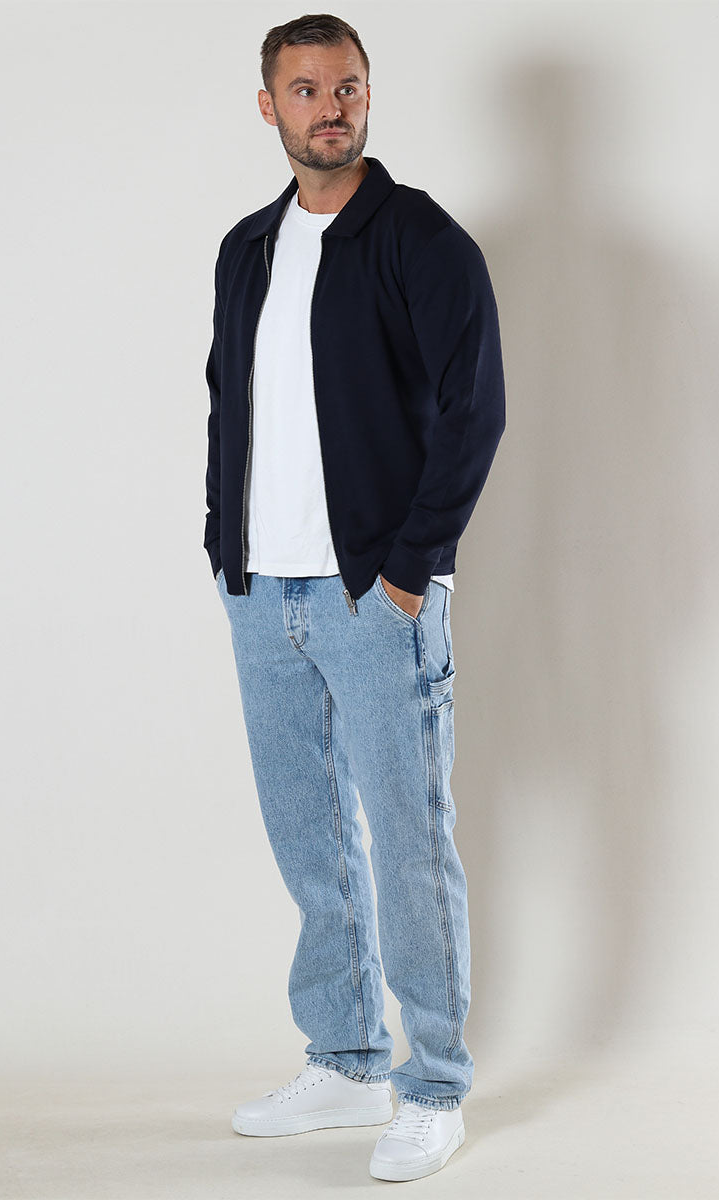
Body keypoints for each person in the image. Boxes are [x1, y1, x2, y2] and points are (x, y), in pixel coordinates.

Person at [203, 13, 505, 1183]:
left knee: (408, 841)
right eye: (304, 88)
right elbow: (229, 402)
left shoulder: (421, 240)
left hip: (374, 594)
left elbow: (473, 413)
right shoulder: (245, 249)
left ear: (367, 96)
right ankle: (343, 1058)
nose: (328, 107)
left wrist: (407, 571)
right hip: (260, 589)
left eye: (346, 87)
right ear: (267, 105)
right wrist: (224, 547)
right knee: (308, 838)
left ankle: (432, 1085)